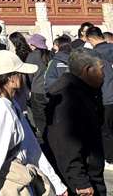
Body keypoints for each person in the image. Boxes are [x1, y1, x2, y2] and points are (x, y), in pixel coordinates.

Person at [0, 50, 67, 196]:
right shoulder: (1, 110)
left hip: (17, 179)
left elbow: (32, 148)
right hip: (6, 184)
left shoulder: (12, 105)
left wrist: (57, 185)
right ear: (12, 79)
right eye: (21, 73)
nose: (24, 77)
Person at [46, 49, 106, 195]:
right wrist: (80, 182)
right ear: (88, 70)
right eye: (102, 69)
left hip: (92, 173)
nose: (104, 74)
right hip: (82, 181)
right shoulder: (67, 98)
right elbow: (65, 143)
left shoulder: (86, 91)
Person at [86, 26, 113, 168]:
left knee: (106, 129)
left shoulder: (94, 55)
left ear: (90, 39)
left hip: (106, 96)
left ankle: (110, 158)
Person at [24, 33, 52, 140]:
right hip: (51, 89)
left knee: (40, 117)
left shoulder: (32, 56)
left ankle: (45, 138)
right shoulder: (51, 54)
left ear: (34, 44)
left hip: (37, 90)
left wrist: (28, 89)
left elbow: (29, 75)